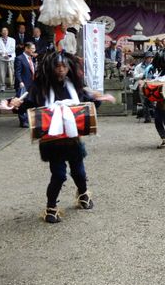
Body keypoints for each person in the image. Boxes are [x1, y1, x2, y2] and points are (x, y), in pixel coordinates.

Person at [8, 51, 108, 223]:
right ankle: (51, 207)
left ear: (69, 67)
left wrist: (98, 98)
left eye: (64, 66)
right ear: (51, 68)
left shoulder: (75, 86)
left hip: (72, 138)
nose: (61, 70)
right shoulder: (41, 88)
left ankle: (83, 194)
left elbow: (88, 104)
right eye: (57, 66)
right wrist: (14, 104)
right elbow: (27, 104)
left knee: (79, 172)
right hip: (52, 140)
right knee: (59, 175)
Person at [14, 42, 37, 127]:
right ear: (26, 48)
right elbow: (17, 72)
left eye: (34, 49)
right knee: (21, 102)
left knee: (29, 102)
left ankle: (29, 120)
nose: (34, 50)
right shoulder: (19, 58)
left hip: (31, 85)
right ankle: (23, 121)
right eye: (32, 49)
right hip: (23, 85)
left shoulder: (31, 59)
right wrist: (20, 81)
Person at [133, 51, 154, 123]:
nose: (150, 59)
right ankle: (147, 118)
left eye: (151, 58)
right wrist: (143, 74)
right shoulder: (139, 66)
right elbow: (135, 76)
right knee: (144, 102)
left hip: (152, 85)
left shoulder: (154, 66)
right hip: (142, 85)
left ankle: (156, 117)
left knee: (153, 101)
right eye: (148, 58)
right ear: (145, 58)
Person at [0, 27, 15, 92]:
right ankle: (2, 86)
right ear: (1, 32)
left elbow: (12, 49)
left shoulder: (12, 40)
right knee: (2, 72)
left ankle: (12, 85)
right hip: (1, 58)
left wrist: (7, 55)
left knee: (11, 72)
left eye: (6, 30)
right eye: (3, 31)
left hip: (10, 57)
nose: (5, 32)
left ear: (8, 32)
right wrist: (4, 55)